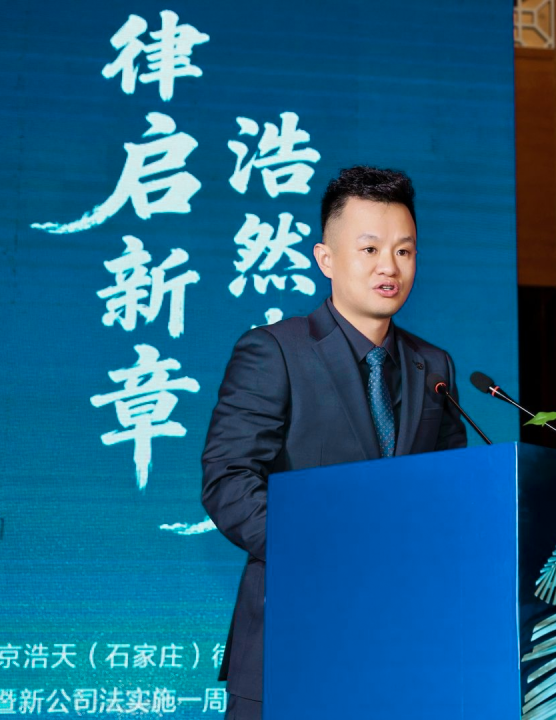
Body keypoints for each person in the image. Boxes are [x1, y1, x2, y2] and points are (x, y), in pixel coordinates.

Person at [201, 166, 469, 720]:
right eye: (369, 249)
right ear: (325, 259)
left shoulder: (434, 365)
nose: (389, 267)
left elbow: (449, 494)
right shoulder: (273, 351)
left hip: (403, 651)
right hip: (294, 638)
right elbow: (228, 480)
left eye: (404, 251)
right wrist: (330, 553)